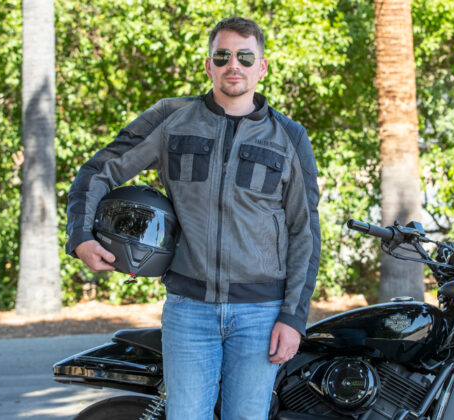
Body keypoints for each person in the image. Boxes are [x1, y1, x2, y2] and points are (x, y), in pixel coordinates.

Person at [65, 17, 320, 419]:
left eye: (244, 57)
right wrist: (81, 236)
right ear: (208, 65)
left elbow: (305, 232)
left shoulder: (290, 136)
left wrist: (293, 317)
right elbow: (99, 170)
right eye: (222, 56)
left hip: (260, 313)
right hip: (189, 310)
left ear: (262, 67)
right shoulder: (171, 117)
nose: (233, 65)